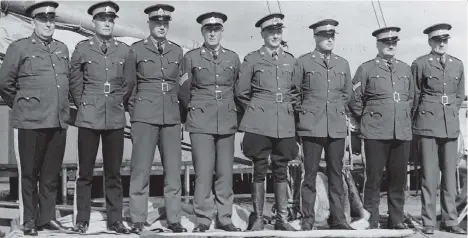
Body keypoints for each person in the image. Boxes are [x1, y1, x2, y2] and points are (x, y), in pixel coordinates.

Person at [0, 1, 73, 235]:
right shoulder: (19, 48)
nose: (48, 24)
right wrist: (22, 105)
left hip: (58, 120)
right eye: (43, 20)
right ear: (33, 22)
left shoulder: (62, 49)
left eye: (52, 20)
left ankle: (47, 218)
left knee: (51, 174)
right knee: (29, 175)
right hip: (30, 121)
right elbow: (5, 84)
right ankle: (29, 220)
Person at [69, 1, 131, 234]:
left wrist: (116, 101)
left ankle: (115, 219)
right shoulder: (83, 48)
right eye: (102, 19)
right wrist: (84, 103)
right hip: (88, 116)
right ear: (94, 22)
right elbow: (75, 82)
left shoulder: (124, 51)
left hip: (114, 116)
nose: (107, 23)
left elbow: (128, 84)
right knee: (85, 172)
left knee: (113, 172)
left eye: (111, 20)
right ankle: (82, 219)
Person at [125, 4, 187, 234]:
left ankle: (174, 219)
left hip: (171, 116)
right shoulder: (136, 50)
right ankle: (138, 218)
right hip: (144, 117)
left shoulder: (177, 52)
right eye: (156, 23)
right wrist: (136, 115)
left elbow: (182, 86)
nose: (161, 27)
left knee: (173, 171)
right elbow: (130, 87)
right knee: (140, 170)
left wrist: (180, 116)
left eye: (164, 23)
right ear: (149, 24)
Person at [236, 13, 300, 231]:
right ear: (262, 34)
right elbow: (242, 92)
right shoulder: (252, 59)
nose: (275, 36)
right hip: (259, 121)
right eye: (270, 32)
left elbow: (295, 92)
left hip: (284, 121)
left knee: (282, 167)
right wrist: (258, 109)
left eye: (278, 32)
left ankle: (282, 219)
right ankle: (259, 218)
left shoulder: (291, 60)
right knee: (259, 168)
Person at [180, 12, 241, 233]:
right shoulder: (191, 57)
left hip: (226, 119)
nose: (212, 33)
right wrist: (194, 111)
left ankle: (225, 217)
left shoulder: (233, 58)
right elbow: (184, 91)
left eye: (216, 29)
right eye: (208, 30)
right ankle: (203, 218)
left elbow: (238, 89)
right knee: (203, 172)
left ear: (221, 32)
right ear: (203, 32)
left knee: (225, 172)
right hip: (200, 121)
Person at [348, 26, 414, 229]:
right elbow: (354, 99)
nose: (390, 46)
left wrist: (400, 116)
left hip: (400, 132)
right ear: (378, 45)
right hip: (375, 132)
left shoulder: (405, 69)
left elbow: (411, 98)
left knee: (398, 179)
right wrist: (368, 118)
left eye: (394, 43)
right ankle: (371, 218)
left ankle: (397, 219)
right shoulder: (366, 69)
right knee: (373, 178)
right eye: (386, 43)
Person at [296, 19, 354, 230]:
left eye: (332, 36)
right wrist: (304, 116)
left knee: (336, 174)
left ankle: (339, 219)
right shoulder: (303, 62)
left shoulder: (342, 63)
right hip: (311, 125)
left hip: (336, 126)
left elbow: (347, 93)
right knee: (309, 174)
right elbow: (296, 93)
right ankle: (308, 219)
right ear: (316, 37)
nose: (329, 40)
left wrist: (337, 110)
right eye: (324, 36)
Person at [412, 23, 466, 235]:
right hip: (427, 125)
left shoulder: (457, 64)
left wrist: (451, 112)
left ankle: (450, 221)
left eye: (444, 40)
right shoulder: (421, 64)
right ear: (430, 42)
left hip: (450, 126)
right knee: (429, 176)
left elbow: (459, 95)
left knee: (450, 177)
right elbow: (415, 95)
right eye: (437, 40)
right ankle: (428, 222)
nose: (441, 44)